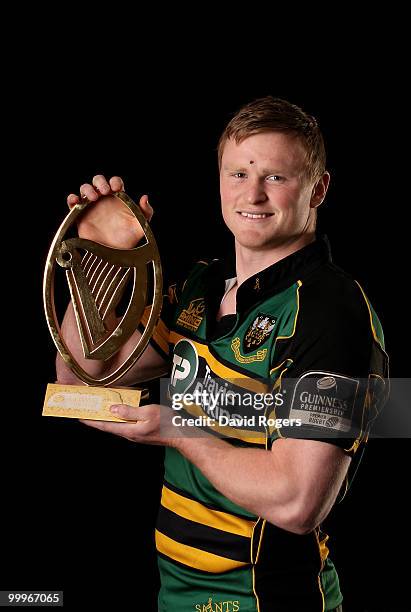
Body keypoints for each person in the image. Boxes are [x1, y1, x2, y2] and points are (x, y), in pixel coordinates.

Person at [57, 97, 389, 611]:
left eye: (275, 177)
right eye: (237, 173)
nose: (252, 193)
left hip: (271, 601)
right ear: (218, 180)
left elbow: (298, 502)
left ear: (318, 189)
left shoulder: (332, 312)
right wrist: (107, 259)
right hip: (176, 595)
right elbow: (82, 381)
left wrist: (176, 430)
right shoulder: (199, 286)